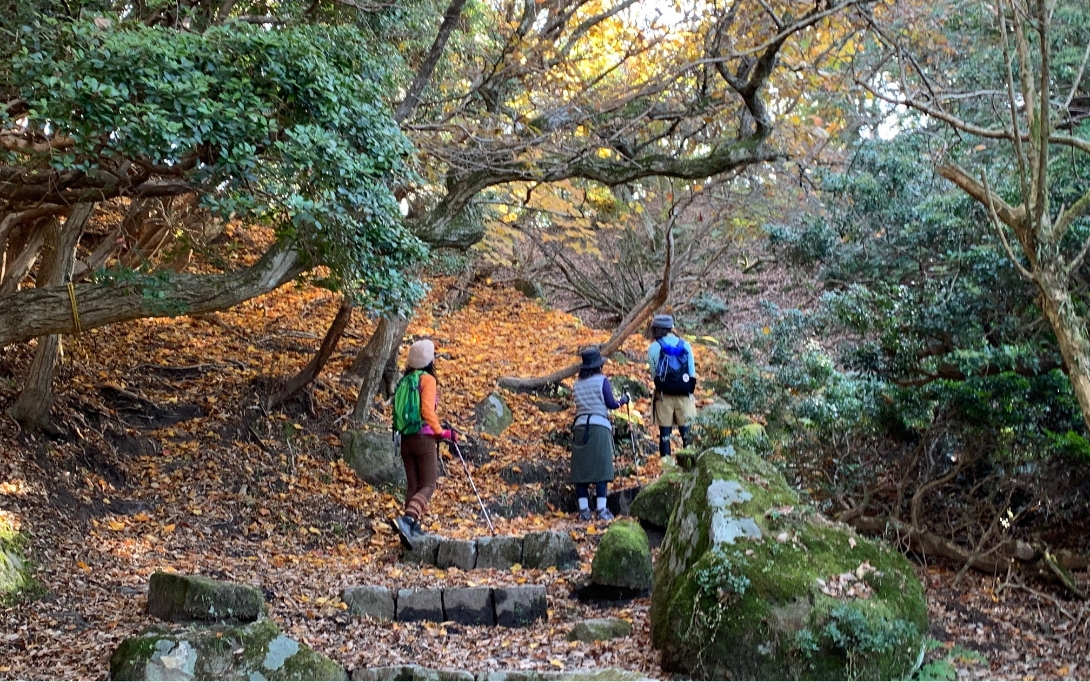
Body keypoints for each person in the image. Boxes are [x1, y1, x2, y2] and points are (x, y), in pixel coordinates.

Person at [390, 339, 455, 549]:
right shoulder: (427, 380)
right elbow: (427, 411)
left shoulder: (404, 381)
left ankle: (411, 529)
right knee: (428, 485)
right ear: (430, 360)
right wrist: (441, 432)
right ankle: (408, 520)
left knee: (414, 486)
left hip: (405, 439)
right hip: (423, 439)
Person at [571, 347, 630, 521]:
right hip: (599, 427)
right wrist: (623, 400)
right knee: (601, 468)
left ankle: (584, 511)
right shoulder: (601, 381)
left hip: (580, 427)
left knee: (581, 470)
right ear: (598, 366)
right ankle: (602, 510)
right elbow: (611, 404)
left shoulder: (576, 385)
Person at [647, 314, 696, 459]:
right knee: (686, 433)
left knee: (665, 434)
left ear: (655, 329)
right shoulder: (685, 345)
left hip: (664, 396)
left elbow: (654, 374)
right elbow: (692, 373)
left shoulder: (654, 348)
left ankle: (666, 469)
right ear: (671, 328)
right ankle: (690, 465)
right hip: (684, 395)